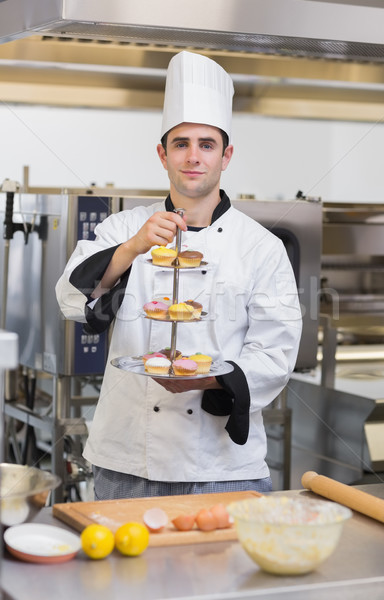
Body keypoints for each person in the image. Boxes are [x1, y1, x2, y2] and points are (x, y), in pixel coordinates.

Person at [56, 51, 302, 500]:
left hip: (223, 466)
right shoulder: (122, 228)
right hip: (127, 458)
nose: (193, 157)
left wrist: (206, 378)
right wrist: (133, 249)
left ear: (226, 155)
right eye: (181, 143)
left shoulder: (261, 247)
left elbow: (276, 354)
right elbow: (71, 301)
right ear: (162, 154)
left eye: (207, 144)